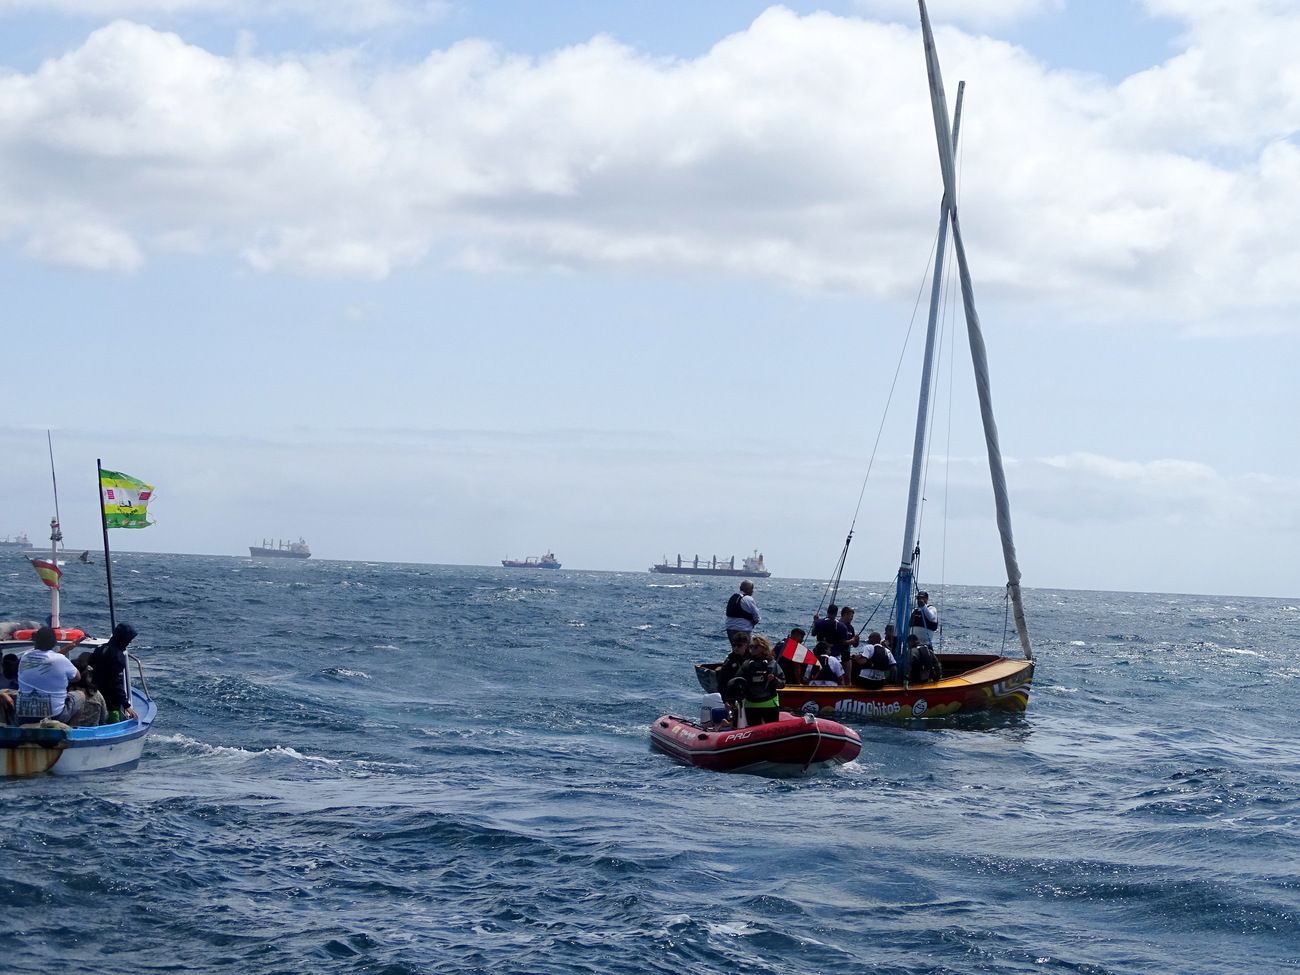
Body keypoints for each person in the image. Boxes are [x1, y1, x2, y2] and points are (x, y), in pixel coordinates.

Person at [16, 625, 83, 724]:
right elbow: (77, 677)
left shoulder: (25, 657)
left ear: (35, 641)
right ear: (53, 643)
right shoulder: (61, 660)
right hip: (54, 716)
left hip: (24, 716)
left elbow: (48, 660)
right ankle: (69, 731)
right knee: (80, 696)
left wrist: (67, 649)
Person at [727, 635, 784, 726]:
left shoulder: (772, 664)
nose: (752, 649)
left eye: (756, 647)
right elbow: (736, 682)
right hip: (751, 705)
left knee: (772, 731)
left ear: (764, 648)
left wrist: (774, 679)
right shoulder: (747, 665)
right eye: (751, 646)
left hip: (769, 705)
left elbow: (782, 684)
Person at [91, 622, 139, 722]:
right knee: (112, 720)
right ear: (123, 639)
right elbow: (116, 682)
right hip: (110, 703)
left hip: (93, 696)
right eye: (129, 640)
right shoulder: (118, 657)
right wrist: (127, 706)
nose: (129, 642)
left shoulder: (100, 649)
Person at [69, 651, 107, 727]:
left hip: (71, 731)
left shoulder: (67, 692)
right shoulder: (96, 693)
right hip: (93, 731)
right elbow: (104, 717)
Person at [724, 580, 760, 645]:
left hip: (730, 628)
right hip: (743, 629)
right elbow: (756, 616)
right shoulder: (748, 599)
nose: (752, 591)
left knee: (735, 649)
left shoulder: (733, 597)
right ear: (748, 589)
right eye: (752, 589)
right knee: (745, 651)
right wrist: (754, 622)